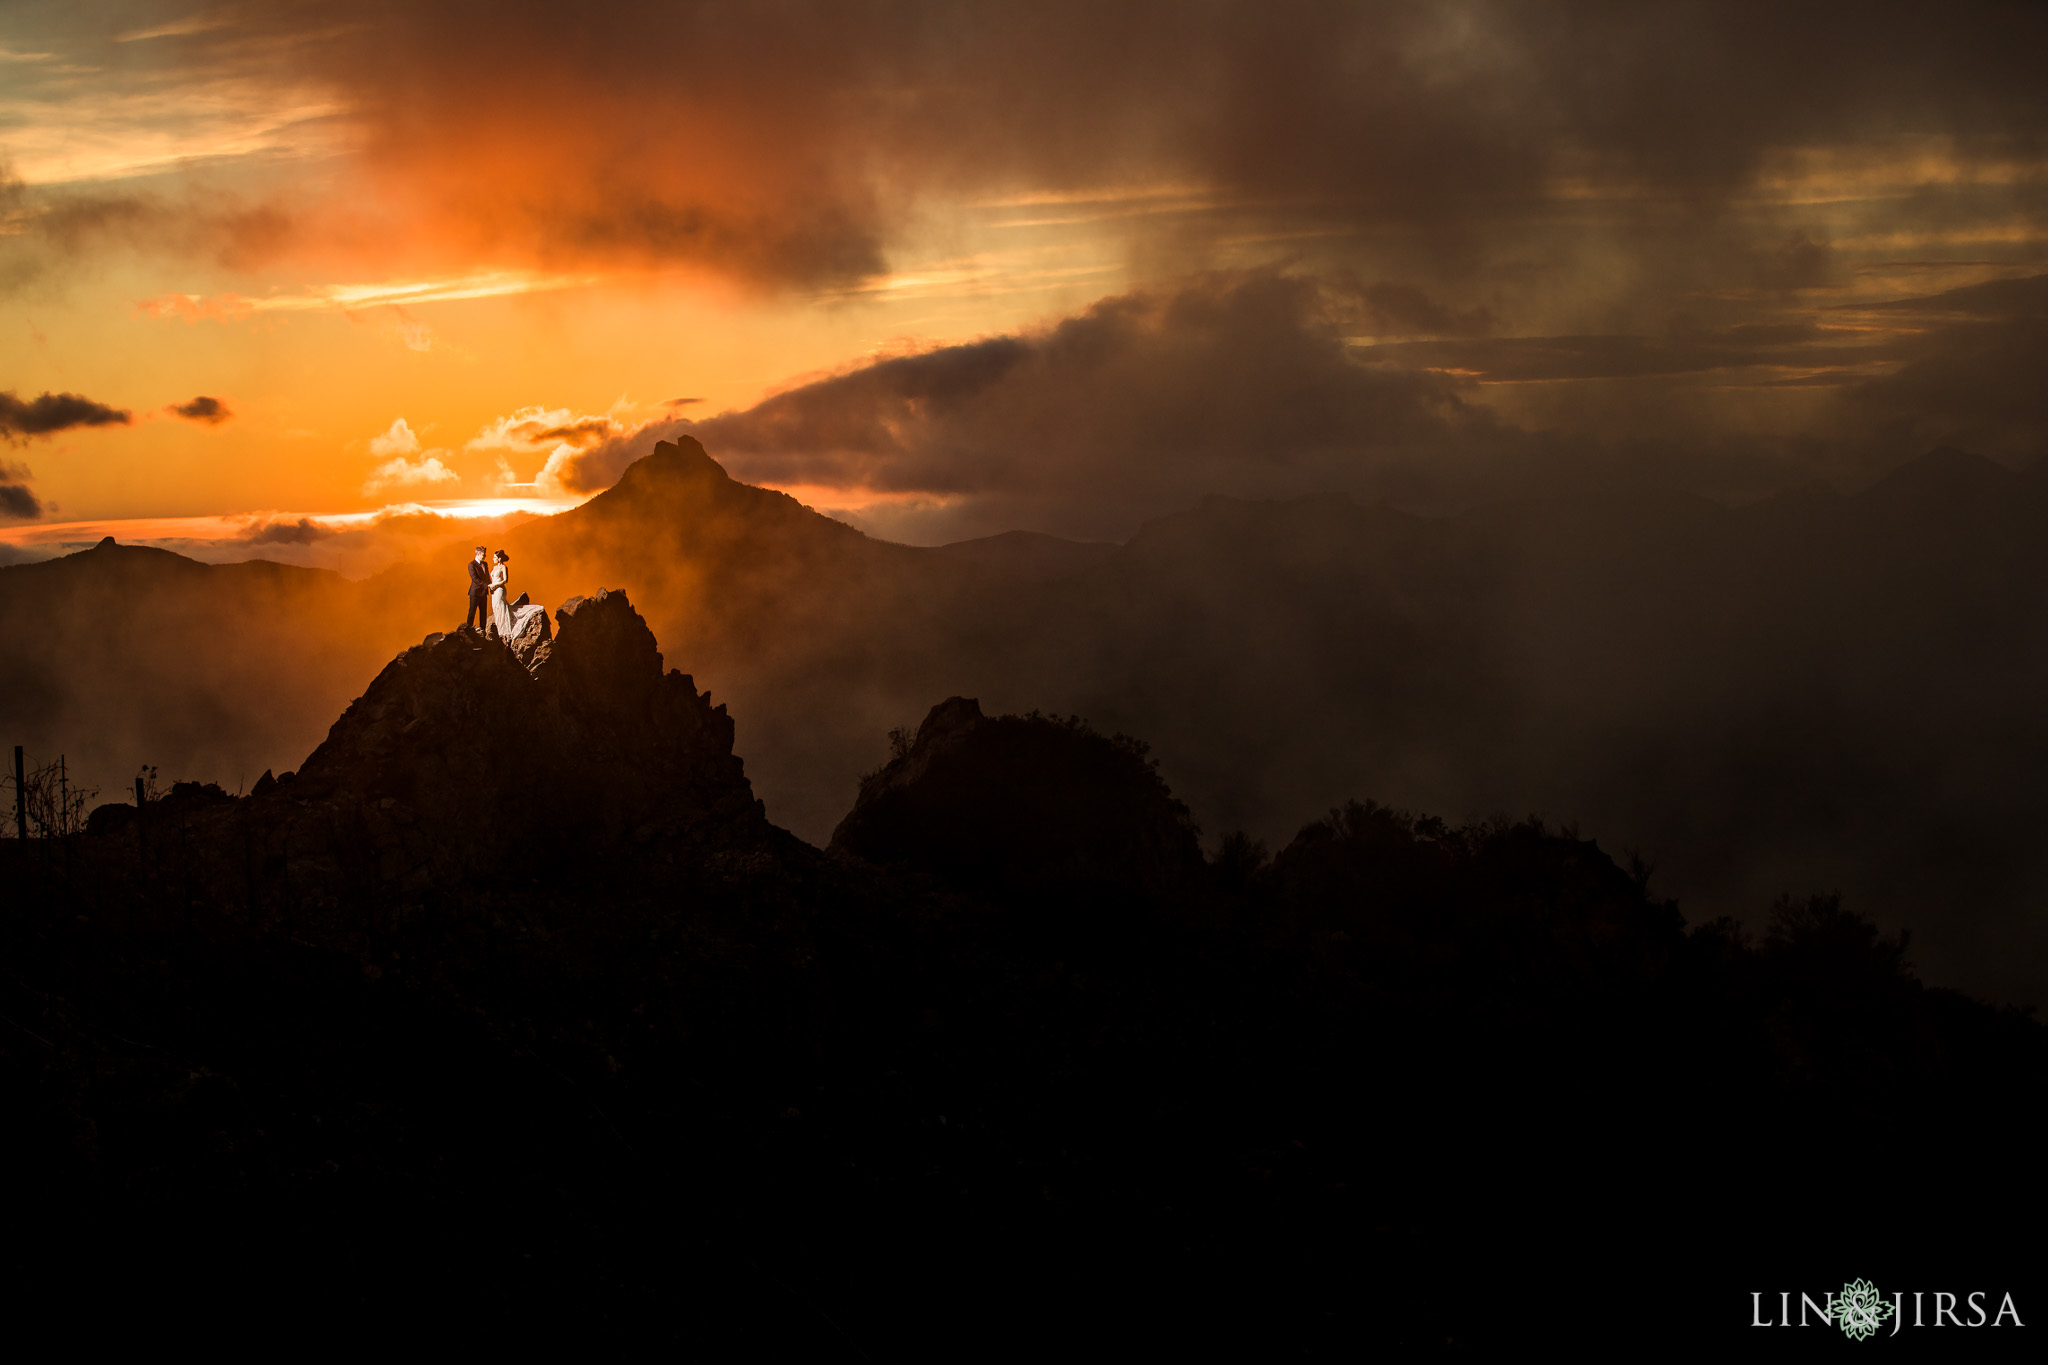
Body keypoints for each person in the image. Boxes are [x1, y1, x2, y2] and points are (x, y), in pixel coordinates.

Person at [488, 548, 546, 645]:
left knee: (501, 607)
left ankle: (504, 630)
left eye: (494, 557)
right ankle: (498, 628)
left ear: (499, 558)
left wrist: (495, 585)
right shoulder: (494, 568)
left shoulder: (503, 567)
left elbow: (505, 580)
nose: (493, 559)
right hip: (493, 591)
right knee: (496, 607)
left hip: (499, 589)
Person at [465, 546, 489, 632]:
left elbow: (487, 577)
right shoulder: (471, 565)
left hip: (484, 592)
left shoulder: (485, 564)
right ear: (478, 554)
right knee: (472, 612)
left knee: (483, 613)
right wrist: (486, 586)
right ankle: (468, 630)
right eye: (483, 554)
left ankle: (483, 629)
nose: (485, 556)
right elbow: (475, 579)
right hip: (475, 593)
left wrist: (490, 586)